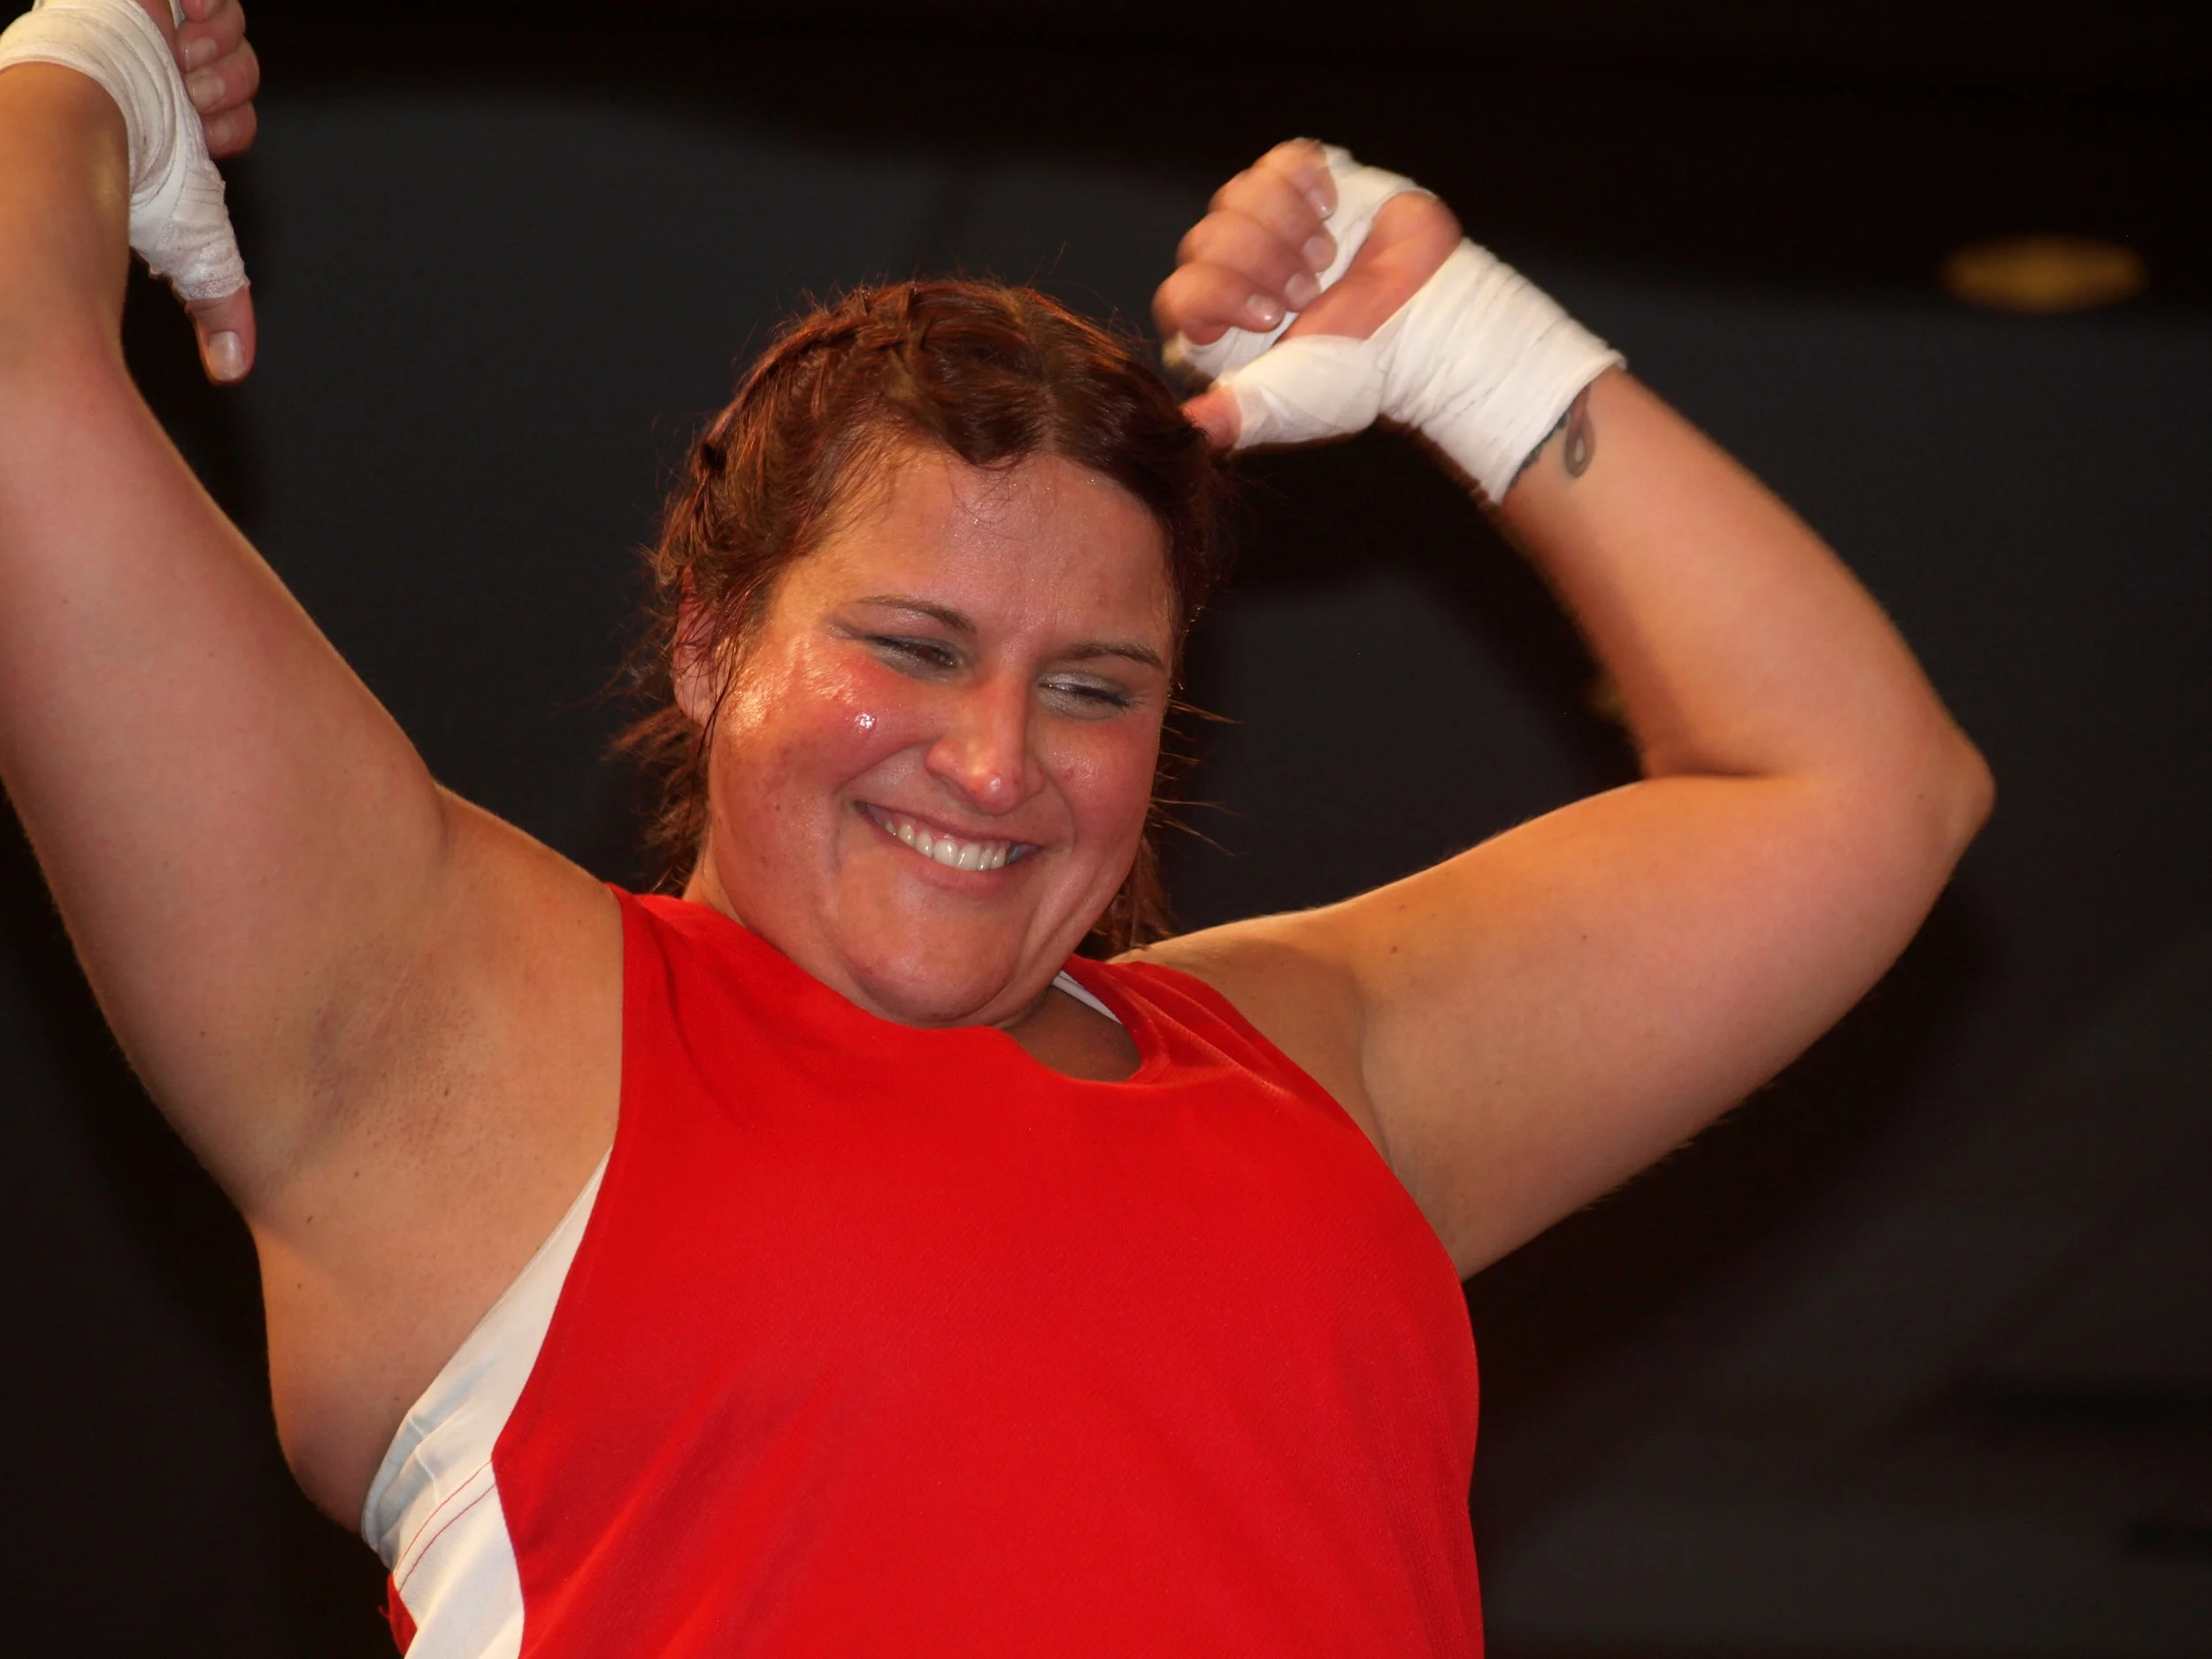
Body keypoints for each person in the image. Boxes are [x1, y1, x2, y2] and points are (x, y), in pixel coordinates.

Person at [0, 3, 1993, 1655]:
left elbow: (1864, 791)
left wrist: (1467, 344)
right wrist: (86, 62)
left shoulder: (1320, 1071)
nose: (993, 759)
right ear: (706, 642)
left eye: (1094, 687)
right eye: (913, 647)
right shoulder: (466, 1031)